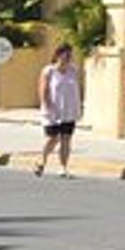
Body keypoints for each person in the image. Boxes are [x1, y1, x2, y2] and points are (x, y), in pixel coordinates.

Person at [34, 42, 84, 178]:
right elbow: (43, 90)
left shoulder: (73, 70)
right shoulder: (49, 71)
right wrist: (47, 106)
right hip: (53, 111)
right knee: (53, 138)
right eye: (65, 53)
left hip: (69, 110)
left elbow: (77, 89)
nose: (68, 56)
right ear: (58, 55)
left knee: (66, 139)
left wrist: (78, 107)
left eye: (69, 54)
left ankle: (63, 167)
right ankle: (41, 160)